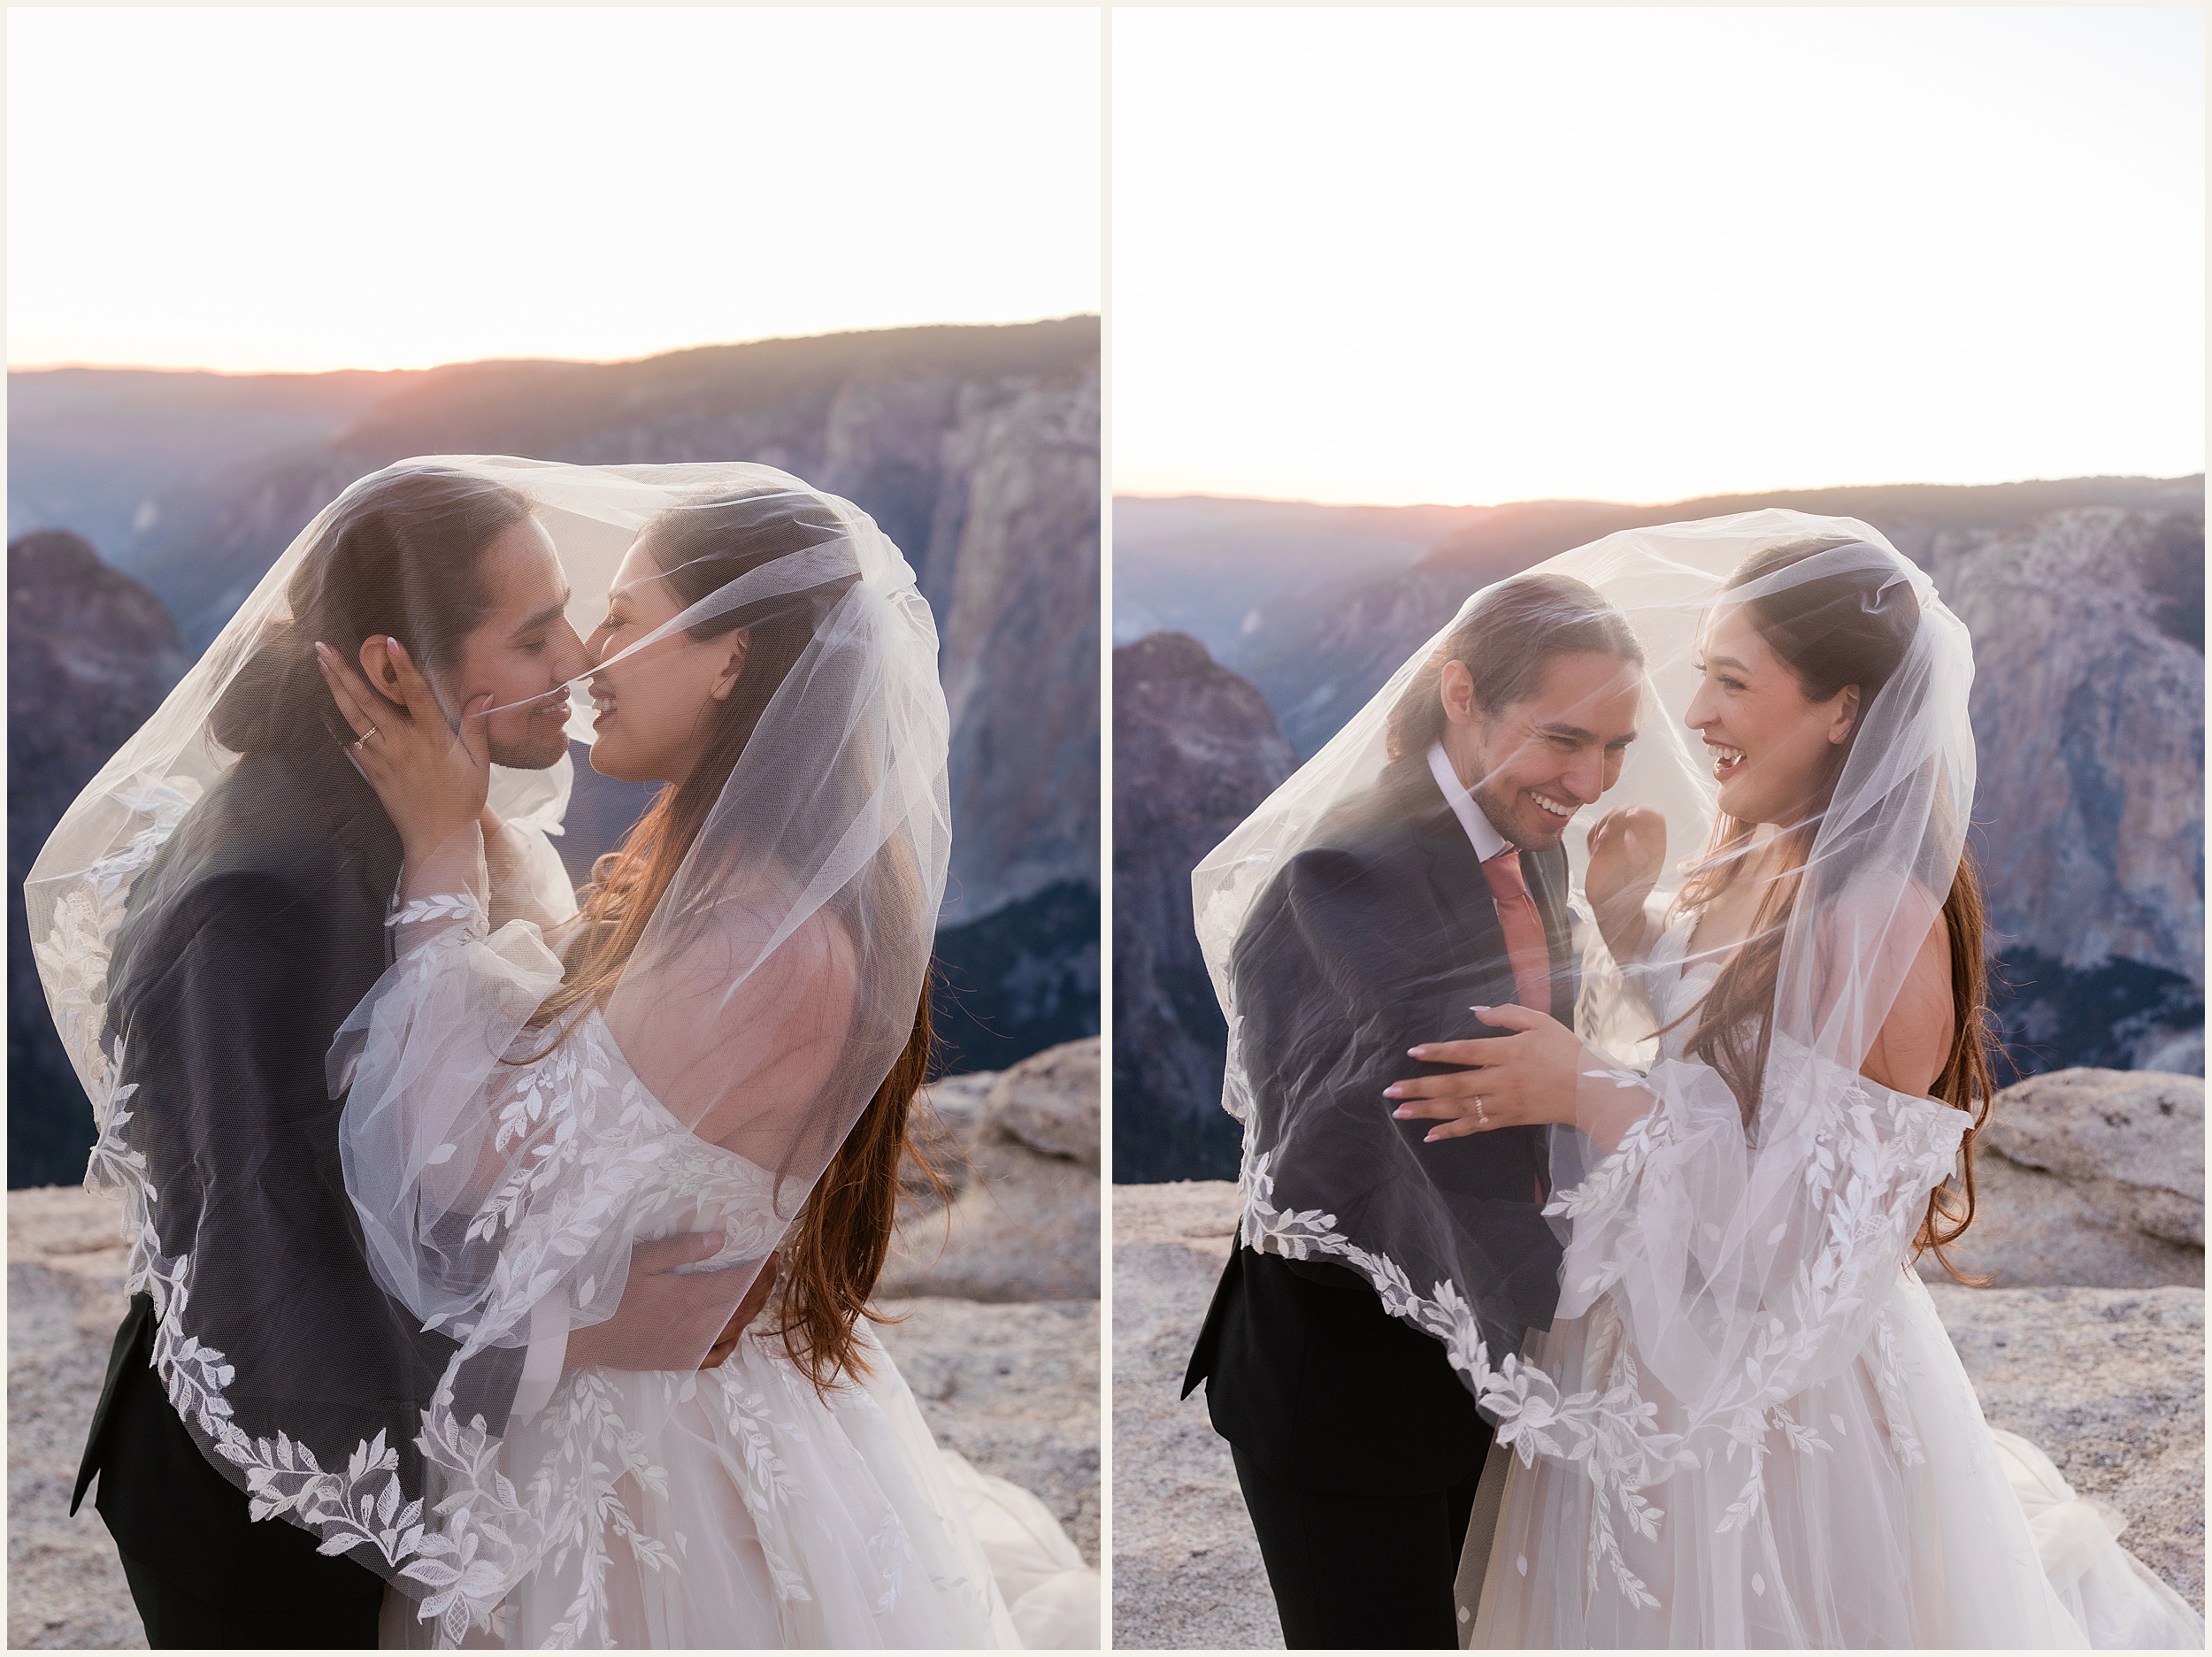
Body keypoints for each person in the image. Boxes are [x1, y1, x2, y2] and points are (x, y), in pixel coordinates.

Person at [1372, 518, 2205, 1646]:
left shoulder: (1879, 920)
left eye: (1729, 681)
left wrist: (1588, 1092)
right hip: (1655, 1351)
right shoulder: (1764, 848)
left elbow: (1810, 1234)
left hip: (1773, 1411)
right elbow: (1734, 1052)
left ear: (1841, 710)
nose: (1697, 713)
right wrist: (1630, 926)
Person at [315, 468, 1095, 1646]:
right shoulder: (722, 885)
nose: (583, 657)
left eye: (624, 619)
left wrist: (435, 862)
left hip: (651, 1474)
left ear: (731, 657)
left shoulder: (755, 946)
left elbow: (458, 1165)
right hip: (645, 1408)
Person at [33, 466, 768, 1649]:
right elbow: (264, 1267)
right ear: (389, 668)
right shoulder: (258, 901)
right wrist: (588, 1333)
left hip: (356, 1473)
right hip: (256, 1515)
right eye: (534, 636)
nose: (579, 654)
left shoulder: (413, 819)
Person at [1180, 573, 1647, 1647]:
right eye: (1564, 739)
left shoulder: (1522, 825)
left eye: (1615, 747)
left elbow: (1534, 1084)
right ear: (1461, 694)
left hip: (1467, 1364)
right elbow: (1433, 1105)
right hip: (1348, 1393)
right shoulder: (1351, 870)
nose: (1588, 779)